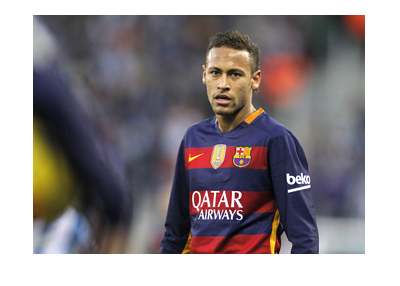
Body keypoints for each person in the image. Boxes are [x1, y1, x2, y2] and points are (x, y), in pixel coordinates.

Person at [159, 30, 318, 254]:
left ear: (255, 79)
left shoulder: (277, 140)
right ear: (204, 75)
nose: (223, 84)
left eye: (234, 74)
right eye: (215, 73)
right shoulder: (192, 139)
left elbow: (305, 238)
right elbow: (175, 235)